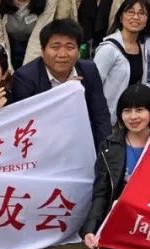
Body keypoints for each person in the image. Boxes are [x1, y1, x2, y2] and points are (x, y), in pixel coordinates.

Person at [10, 19, 112, 151]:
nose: (62, 54)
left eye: (70, 47)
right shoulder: (25, 78)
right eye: (55, 47)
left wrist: (106, 153)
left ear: (78, 50)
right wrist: (65, 93)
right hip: (42, 145)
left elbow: (100, 115)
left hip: (81, 141)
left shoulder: (89, 70)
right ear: (42, 50)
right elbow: (24, 125)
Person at [81, 83, 150, 249]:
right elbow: (101, 192)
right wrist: (91, 229)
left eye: (139, 110)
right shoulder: (109, 146)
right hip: (121, 220)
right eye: (127, 111)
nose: (133, 117)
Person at [93, 0, 149, 123]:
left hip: (131, 118)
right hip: (107, 119)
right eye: (130, 12)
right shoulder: (108, 48)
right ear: (120, 17)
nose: (136, 17)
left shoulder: (143, 47)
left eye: (142, 13)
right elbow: (94, 85)